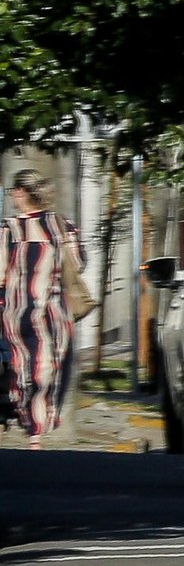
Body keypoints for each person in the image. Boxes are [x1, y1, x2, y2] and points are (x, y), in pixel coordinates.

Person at [0, 171, 84, 448]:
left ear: (22, 192)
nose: (12, 194)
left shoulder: (8, 229)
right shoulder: (62, 225)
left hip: (16, 310)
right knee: (49, 366)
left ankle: (32, 428)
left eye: (14, 190)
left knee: (23, 365)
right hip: (54, 311)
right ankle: (38, 425)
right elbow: (79, 262)